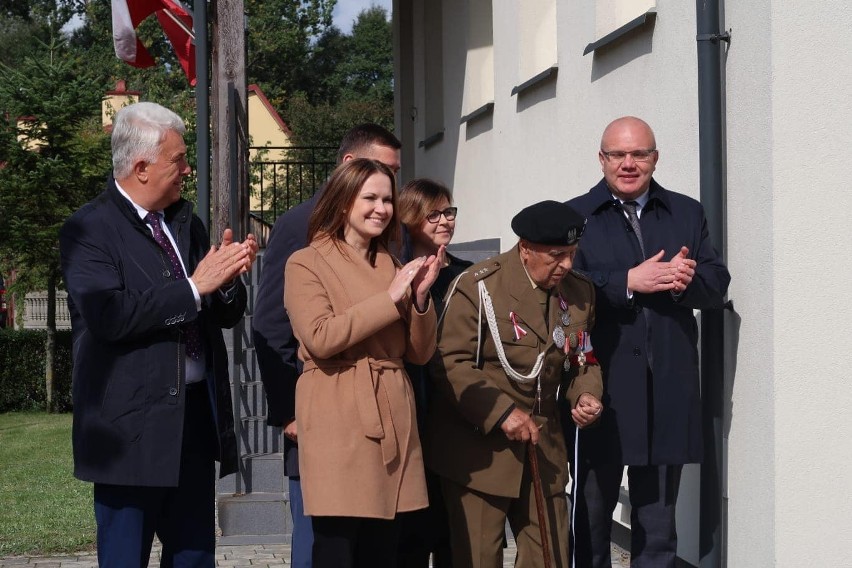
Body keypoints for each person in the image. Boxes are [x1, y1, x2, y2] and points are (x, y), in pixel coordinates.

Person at [58, 101, 259, 567]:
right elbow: (110, 316)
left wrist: (226, 281)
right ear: (142, 167)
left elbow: (222, 315)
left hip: (192, 422)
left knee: (193, 557)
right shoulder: (88, 229)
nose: (188, 170)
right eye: (179, 160)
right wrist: (194, 287)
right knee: (126, 557)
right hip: (129, 432)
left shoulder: (184, 223)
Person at [565, 116, 731, 568]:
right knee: (591, 522)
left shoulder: (686, 212)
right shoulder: (575, 216)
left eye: (639, 154)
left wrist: (685, 282)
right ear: (601, 160)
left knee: (658, 531)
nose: (629, 163)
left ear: (655, 159)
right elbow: (563, 288)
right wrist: (628, 282)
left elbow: (717, 284)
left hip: (666, 392)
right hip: (601, 391)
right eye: (618, 154)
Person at [251, 123, 401, 568]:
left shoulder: (389, 232)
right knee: (324, 541)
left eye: (391, 179)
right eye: (381, 173)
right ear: (351, 167)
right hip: (326, 406)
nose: (387, 194)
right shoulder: (301, 225)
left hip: (382, 408)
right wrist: (288, 409)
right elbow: (272, 324)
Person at [427, 200, 604, 568]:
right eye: (557, 255)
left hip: (544, 449)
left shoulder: (579, 292)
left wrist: (586, 392)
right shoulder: (478, 286)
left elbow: (581, 357)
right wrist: (502, 412)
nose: (567, 265)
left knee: (549, 557)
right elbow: (449, 363)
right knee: (479, 559)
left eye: (572, 254)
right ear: (526, 249)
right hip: (479, 450)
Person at [284, 158, 441, 567]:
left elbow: (419, 353)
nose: (381, 208)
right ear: (342, 203)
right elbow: (321, 337)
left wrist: (421, 300)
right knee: (338, 546)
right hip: (338, 411)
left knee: (385, 547)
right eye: (369, 197)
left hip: (393, 409)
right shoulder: (306, 262)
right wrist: (389, 300)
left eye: (387, 199)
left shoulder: (391, 264)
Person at [396, 178, 472, 567]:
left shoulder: (468, 274)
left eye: (449, 212)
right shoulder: (394, 273)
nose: (445, 220)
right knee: (410, 534)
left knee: (452, 533)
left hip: (455, 410)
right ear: (410, 218)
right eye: (434, 214)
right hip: (410, 407)